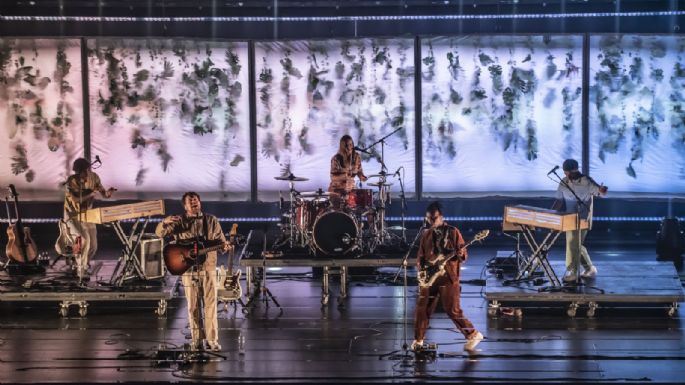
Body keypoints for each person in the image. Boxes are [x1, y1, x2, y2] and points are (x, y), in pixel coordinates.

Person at [155, 192, 230, 352]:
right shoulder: (179, 221)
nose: (194, 203)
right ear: (185, 206)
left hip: (208, 268)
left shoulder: (211, 220)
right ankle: (196, 340)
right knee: (193, 306)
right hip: (188, 270)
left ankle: (212, 340)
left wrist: (226, 246)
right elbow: (159, 234)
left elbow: (221, 242)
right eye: (191, 202)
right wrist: (164, 222)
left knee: (210, 305)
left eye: (196, 200)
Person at [412, 201, 483, 353]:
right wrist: (422, 271)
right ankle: (418, 340)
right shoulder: (426, 234)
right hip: (430, 277)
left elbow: (463, 256)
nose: (431, 222)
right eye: (428, 219)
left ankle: (473, 334)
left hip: (448, 276)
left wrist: (459, 253)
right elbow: (421, 255)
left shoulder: (453, 232)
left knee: (452, 309)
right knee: (422, 308)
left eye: (434, 218)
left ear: (442, 217)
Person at [551, 158, 608, 282]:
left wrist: (602, 190)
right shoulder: (563, 182)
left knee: (572, 243)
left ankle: (572, 271)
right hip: (569, 219)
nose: (567, 175)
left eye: (568, 172)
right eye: (565, 172)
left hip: (583, 218)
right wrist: (551, 214)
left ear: (574, 171)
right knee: (576, 244)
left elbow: (600, 191)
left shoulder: (586, 181)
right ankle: (590, 269)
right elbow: (559, 201)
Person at [57, 157, 115, 278]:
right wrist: (91, 194)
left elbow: (105, 195)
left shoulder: (94, 177)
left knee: (93, 245)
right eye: (79, 173)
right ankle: (81, 269)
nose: (83, 175)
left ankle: (81, 262)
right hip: (72, 214)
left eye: (84, 172)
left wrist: (109, 193)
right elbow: (76, 200)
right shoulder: (72, 181)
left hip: (87, 214)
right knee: (84, 239)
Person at [328, 134, 368, 207]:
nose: (351, 146)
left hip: (351, 189)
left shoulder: (356, 156)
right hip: (337, 190)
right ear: (343, 146)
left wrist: (361, 176)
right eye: (348, 144)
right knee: (338, 211)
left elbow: (359, 170)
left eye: (351, 143)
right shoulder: (336, 158)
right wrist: (345, 176)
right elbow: (333, 177)